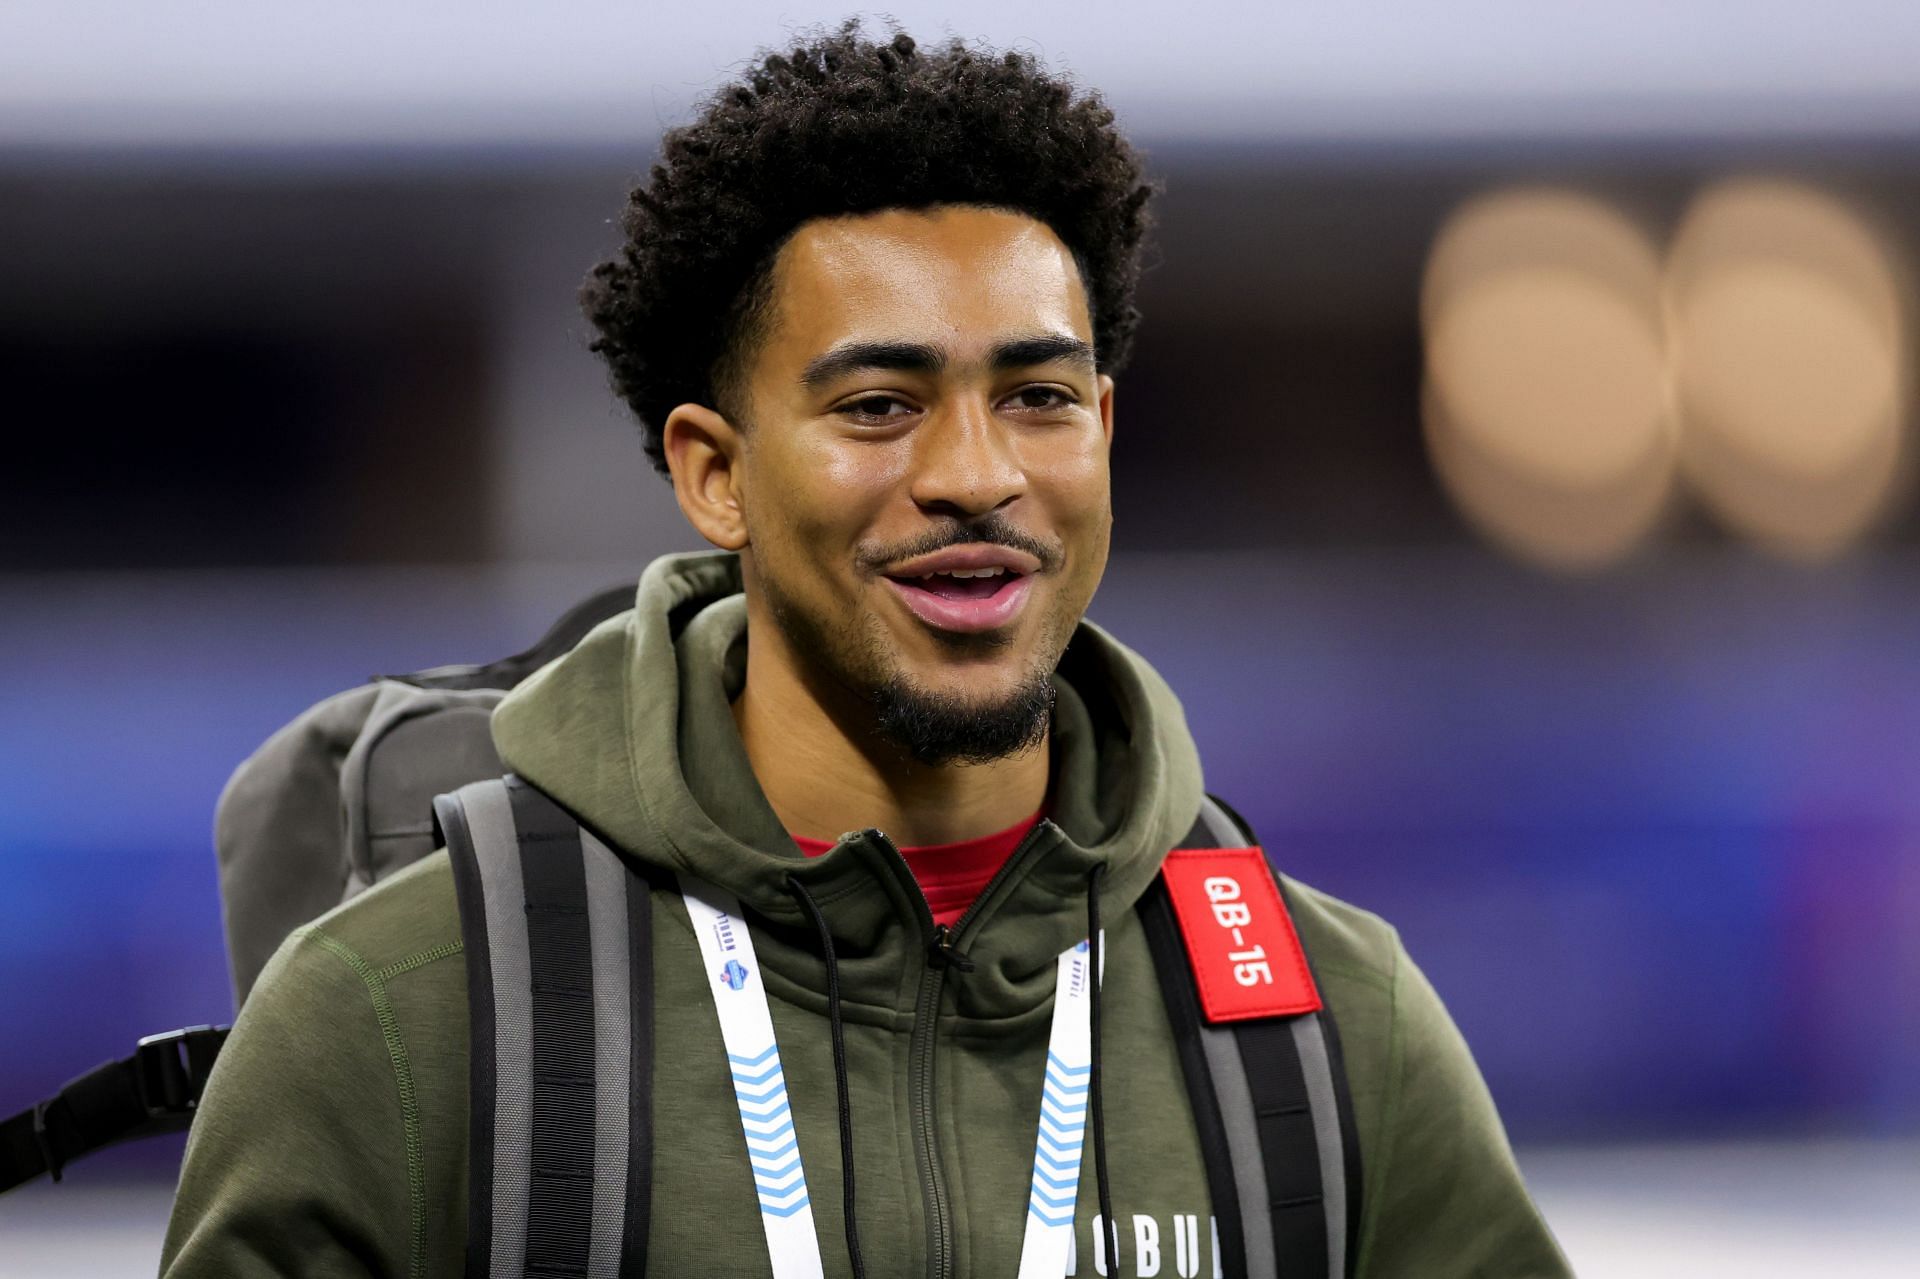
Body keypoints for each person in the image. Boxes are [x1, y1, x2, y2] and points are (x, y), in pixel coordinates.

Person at [161, 24, 1570, 1278]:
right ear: (715, 475)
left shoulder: (1326, 1032)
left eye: (1037, 397)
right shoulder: (408, 1016)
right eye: (883, 404)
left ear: (1105, 437)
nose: (976, 474)